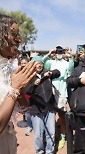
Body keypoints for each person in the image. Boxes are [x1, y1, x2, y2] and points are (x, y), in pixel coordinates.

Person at [0, 14, 36, 154]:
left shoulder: (8, 68)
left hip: (9, 140)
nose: (19, 39)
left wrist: (20, 87)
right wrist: (14, 89)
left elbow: (24, 107)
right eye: (13, 34)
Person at [25, 56, 60, 154]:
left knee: (51, 132)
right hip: (36, 109)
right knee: (38, 134)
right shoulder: (29, 76)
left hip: (50, 107)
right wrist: (34, 85)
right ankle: (39, 151)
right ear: (32, 65)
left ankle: (50, 151)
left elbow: (58, 72)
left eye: (41, 63)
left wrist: (51, 73)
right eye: (36, 63)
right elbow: (26, 91)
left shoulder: (46, 73)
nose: (39, 65)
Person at [42, 46, 74, 150]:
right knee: (51, 115)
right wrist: (49, 53)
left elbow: (71, 68)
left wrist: (71, 56)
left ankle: (63, 136)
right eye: (57, 52)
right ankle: (53, 134)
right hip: (51, 91)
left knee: (61, 115)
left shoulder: (66, 63)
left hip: (62, 91)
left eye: (61, 52)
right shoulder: (51, 62)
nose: (59, 53)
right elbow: (42, 63)